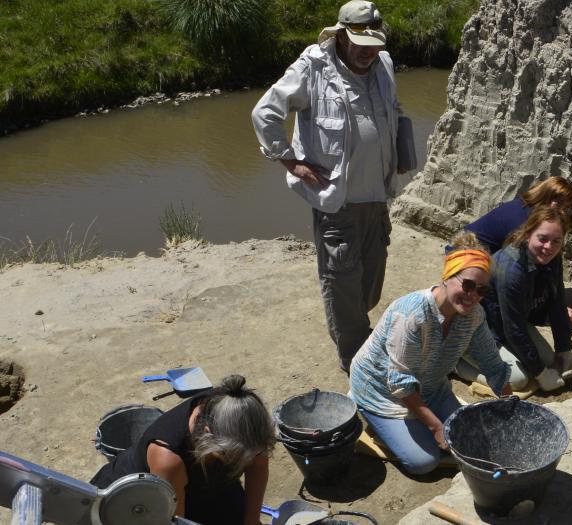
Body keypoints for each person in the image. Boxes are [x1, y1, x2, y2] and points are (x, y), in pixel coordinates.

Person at [251, 0, 406, 373]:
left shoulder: (383, 64)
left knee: (369, 283)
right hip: (336, 202)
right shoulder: (313, 67)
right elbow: (265, 113)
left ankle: (356, 330)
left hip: (377, 198)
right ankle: (354, 357)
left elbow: (395, 111)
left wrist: (399, 152)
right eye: (360, 44)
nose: (368, 53)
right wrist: (290, 161)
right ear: (340, 35)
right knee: (341, 283)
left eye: (374, 45)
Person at [349, 232, 513, 475]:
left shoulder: (474, 314)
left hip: (432, 387)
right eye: (467, 285)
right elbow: (401, 383)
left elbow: (492, 363)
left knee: (474, 440)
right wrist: (436, 427)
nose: (472, 296)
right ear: (447, 277)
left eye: (482, 290)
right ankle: (372, 418)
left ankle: (415, 426)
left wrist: (511, 406)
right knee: (424, 462)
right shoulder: (412, 315)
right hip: (382, 391)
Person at [90, 375, 275, 525]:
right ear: (208, 434)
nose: (245, 461)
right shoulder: (169, 459)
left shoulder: (240, 414)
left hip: (198, 481)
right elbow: (176, 521)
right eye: (235, 456)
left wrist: (251, 521)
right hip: (134, 501)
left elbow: (258, 465)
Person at [456, 206, 572, 392]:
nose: (548, 247)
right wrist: (541, 374)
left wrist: (564, 348)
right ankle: (455, 363)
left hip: (508, 321)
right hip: (479, 329)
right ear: (528, 234)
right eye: (542, 239)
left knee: (551, 361)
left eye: (556, 241)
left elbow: (557, 300)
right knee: (518, 380)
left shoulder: (553, 257)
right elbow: (514, 329)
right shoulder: (511, 269)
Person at [464, 176, 572, 254]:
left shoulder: (541, 218)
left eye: (567, 208)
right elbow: (516, 262)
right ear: (545, 197)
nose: (562, 211)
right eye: (559, 203)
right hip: (466, 255)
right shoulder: (523, 218)